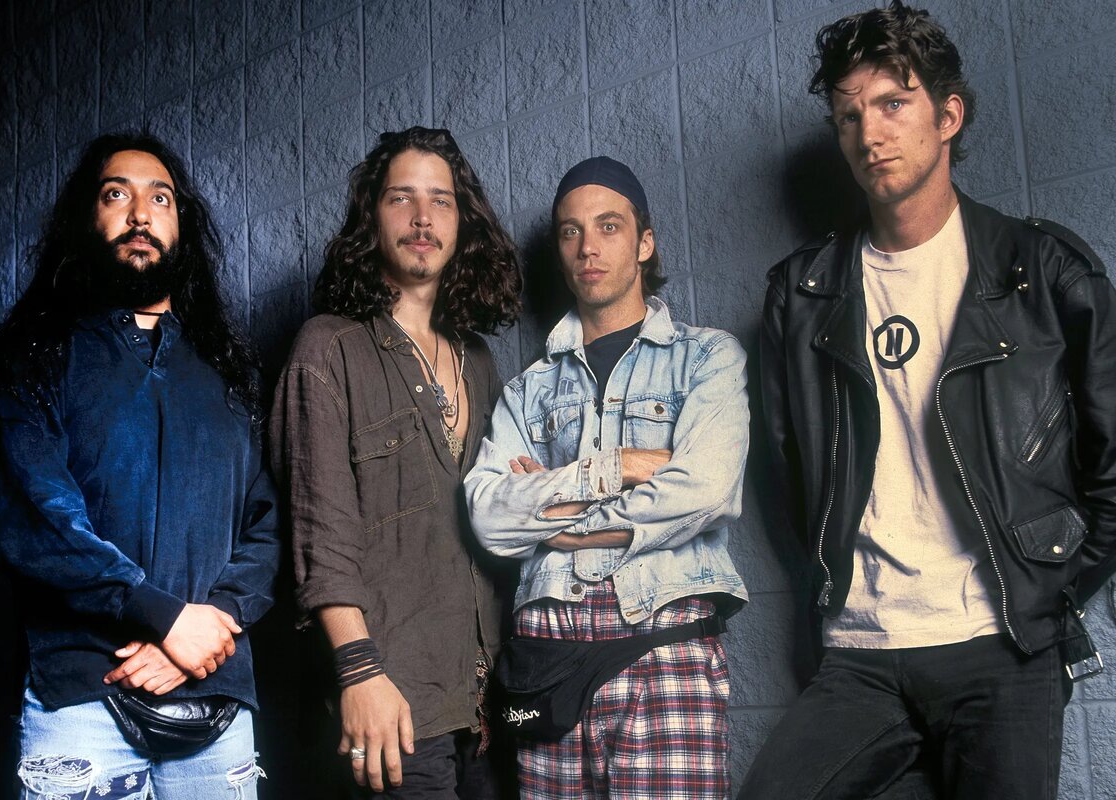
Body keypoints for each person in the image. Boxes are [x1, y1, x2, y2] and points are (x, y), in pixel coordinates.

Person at [744, 3, 1115, 798]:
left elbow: (1111, 454)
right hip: (861, 649)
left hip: (1002, 641)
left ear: (948, 116)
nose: (868, 134)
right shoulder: (802, 294)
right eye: (849, 116)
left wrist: (1052, 587)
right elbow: (790, 468)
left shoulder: (1042, 270)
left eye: (892, 104)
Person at [0, 133, 280, 799]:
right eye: (117, 195)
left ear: (182, 225)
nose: (141, 214)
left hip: (215, 691)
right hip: (84, 694)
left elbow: (269, 522)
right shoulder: (31, 360)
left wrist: (209, 625)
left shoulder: (230, 373)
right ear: (86, 219)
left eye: (160, 199)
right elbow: (35, 521)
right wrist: (166, 619)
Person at [464, 156, 751, 799]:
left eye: (609, 226)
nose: (587, 246)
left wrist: (561, 523)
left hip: (664, 641)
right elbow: (488, 514)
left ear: (645, 242)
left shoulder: (706, 358)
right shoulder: (527, 392)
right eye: (571, 231)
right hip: (548, 651)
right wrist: (617, 468)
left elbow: (704, 490)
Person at [270, 126, 523, 797]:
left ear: (462, 222)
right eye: (400, 198)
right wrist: (358, 673)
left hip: (487, 703)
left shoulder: (476, 359)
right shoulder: (327, 349)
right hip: (393, 704)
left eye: (441, 200)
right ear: (371, 217)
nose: (421, 217)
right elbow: (318, 534)